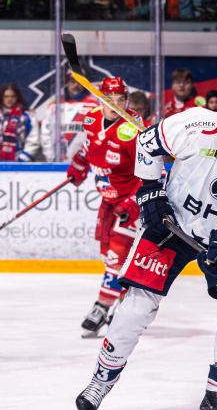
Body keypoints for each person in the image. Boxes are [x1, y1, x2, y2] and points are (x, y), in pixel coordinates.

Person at [75, 74, 217, 410]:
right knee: (138, 304)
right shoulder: (197, 123)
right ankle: (100, 382)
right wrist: (150, 193)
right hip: (170, 225)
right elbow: (147, 143)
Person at [65, 77, 143, 337]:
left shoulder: (133, 128)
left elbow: (150, 171)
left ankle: (101, 307)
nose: (116, 105)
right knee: (107, 255)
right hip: (108, 202)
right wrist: (78, 166)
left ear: (127, 101)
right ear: (101, 100)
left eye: (121, 100)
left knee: (116, 257)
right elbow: (89, 149)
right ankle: (123, 306)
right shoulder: (90, 119)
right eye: (111, 100)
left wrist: (134, 202)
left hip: (130, 203)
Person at [25, 70, 99, 162]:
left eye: (80, 82)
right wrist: (50, 156)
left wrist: (88, 158)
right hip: (56, 161)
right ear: (67, 83)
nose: (76, 85)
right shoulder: (55, 105)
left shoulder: (93, 106)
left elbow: (97, 135)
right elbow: (46, 132)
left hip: (83, 162)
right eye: (72, 82)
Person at [0, 82, 33, 161]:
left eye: (12, 96)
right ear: (2, 98)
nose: (9, 99)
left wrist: (22, 159)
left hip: (18, 160)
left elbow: (33, 140)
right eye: (6, 96)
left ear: (17, 97)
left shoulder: (26, 116)